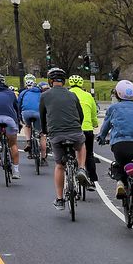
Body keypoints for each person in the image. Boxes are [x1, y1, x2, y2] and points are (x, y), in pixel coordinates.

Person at [39, 69, 87, 210]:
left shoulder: (44, 96)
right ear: (64, 81)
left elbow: (42, 116)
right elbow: (80, 115)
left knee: (60, 165)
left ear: (50, 81)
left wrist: (45, 131)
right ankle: (82, 168)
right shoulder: (72, 95)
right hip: (75, 132)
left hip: (57, 134)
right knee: (81, 145)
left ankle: (60, 199)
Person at [98, 79, 133, 198]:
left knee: (120, 164)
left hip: (120, 144)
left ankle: (120, 182)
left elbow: (105, 126)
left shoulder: (113, 108)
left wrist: (101, 138)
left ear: (117, 94)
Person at [69, 76, 99, 182]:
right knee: (89, 153)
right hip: (87, 128)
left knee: (70, 151)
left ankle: (70, 174)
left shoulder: (67, 95)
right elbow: (93, 113)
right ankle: (92, 179)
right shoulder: (88, 95)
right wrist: (95, 124)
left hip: (71, 128)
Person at [18, 75, 43, 155]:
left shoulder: (23, 92)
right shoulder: (40, 92)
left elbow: (19, 104)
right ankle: (42, 153)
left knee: (27, 125)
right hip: (38, 113)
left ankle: (28, 142)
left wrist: (19, 117)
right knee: (41, 133)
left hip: (26, 113)